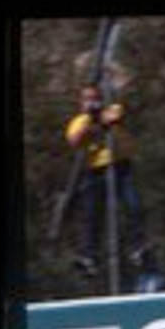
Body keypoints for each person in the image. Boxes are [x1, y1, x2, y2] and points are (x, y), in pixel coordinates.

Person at [64, 83, 147, 281]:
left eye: (95, 98)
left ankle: (139, 247)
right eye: (87, 99)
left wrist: (106, 117)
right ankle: (88, 257)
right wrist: (95, 123)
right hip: (95, 170)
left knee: (133, 205)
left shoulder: (112, 110)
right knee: (92, 215)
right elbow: (75, 141)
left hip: (120, 166)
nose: (92, 103)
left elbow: (118, 116)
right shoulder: (79, 122)